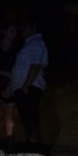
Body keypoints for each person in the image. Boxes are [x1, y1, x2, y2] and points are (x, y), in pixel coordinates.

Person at [11, 16, 48, 147]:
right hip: (26, 87)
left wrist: (25, 86)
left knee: (30, 120)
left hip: (30, 88)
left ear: (33, 28)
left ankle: (34, 150)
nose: (22, 30)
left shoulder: (35, 43)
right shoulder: (29, 44)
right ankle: (32, 148)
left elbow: (35, 66)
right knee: (28, 121)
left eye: (25, 27)